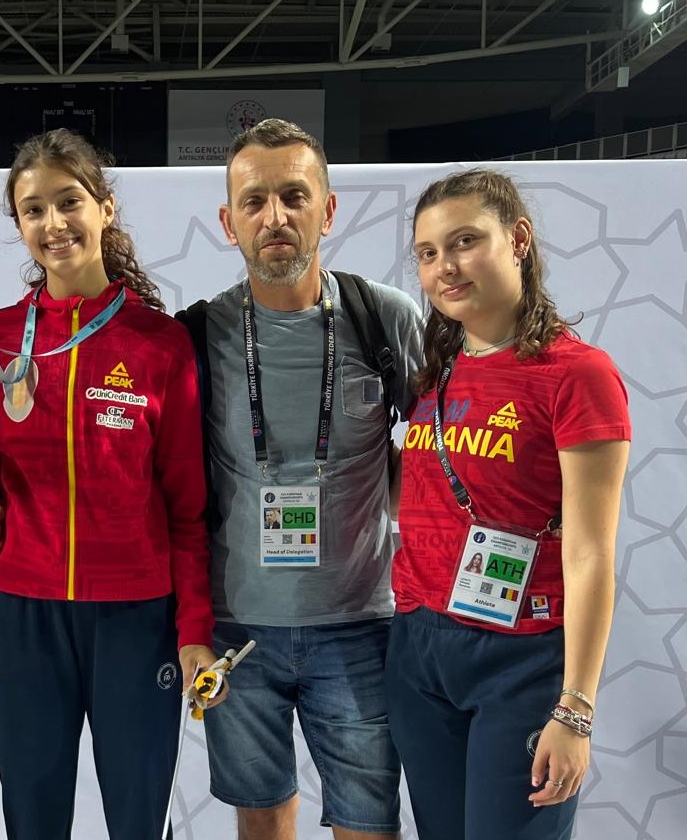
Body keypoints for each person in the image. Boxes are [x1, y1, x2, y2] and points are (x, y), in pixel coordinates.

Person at [0, 128, 222, 840]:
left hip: (135, 619)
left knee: (136, 814)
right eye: (32, 210)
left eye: (68, 202)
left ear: (104, 209)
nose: (52, 224)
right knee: (31, 815)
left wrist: (192, 630)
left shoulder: (159, 343)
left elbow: (188, 507)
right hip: (20, 613)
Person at [181, 118, 420, 840]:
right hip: (236, 630)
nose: (274, 216)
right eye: (253, 201)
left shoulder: (384, 318)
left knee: (366, 825)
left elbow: (446, 449)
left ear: (327, 208)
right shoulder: (195, 335)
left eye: (293, 195)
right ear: (228, 222)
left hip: (359, 625)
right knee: (260, 819)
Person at [389, 168, 631, 840]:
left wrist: (575, 708)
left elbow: (589, 550)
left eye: (464, 241)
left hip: (521, 658)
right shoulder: (435, 373)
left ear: (517, 238)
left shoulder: (577, 375)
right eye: (428, 252)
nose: (444, 266)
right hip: (418, 650)